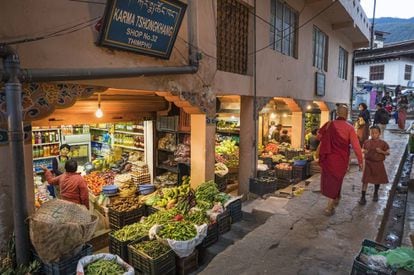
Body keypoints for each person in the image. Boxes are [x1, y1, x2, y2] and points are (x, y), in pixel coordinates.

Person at [317, 104, 363, 216]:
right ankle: (329, 207)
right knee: (337, 180)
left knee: (331, 180)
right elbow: (356, 147)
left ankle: (336, 198)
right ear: (346, 115)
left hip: (328, 158)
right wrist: (361, 161)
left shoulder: (329, 125)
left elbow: (319, 135)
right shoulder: (350, 128)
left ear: (337, 113)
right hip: (341, 159)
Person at [359, 126, 390, 205]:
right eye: (372, 133)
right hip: (369, 164)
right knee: (365, 180)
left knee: (377, 180)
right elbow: (362, 149)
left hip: (378, 164)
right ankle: (363, 197)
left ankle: (375, 193)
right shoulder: (367, 142)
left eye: (375, 133)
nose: (373, 134)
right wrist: (364, 151)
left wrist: (381, 151)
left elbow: (388, 152)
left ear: (379, 133)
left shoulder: (383, 143)